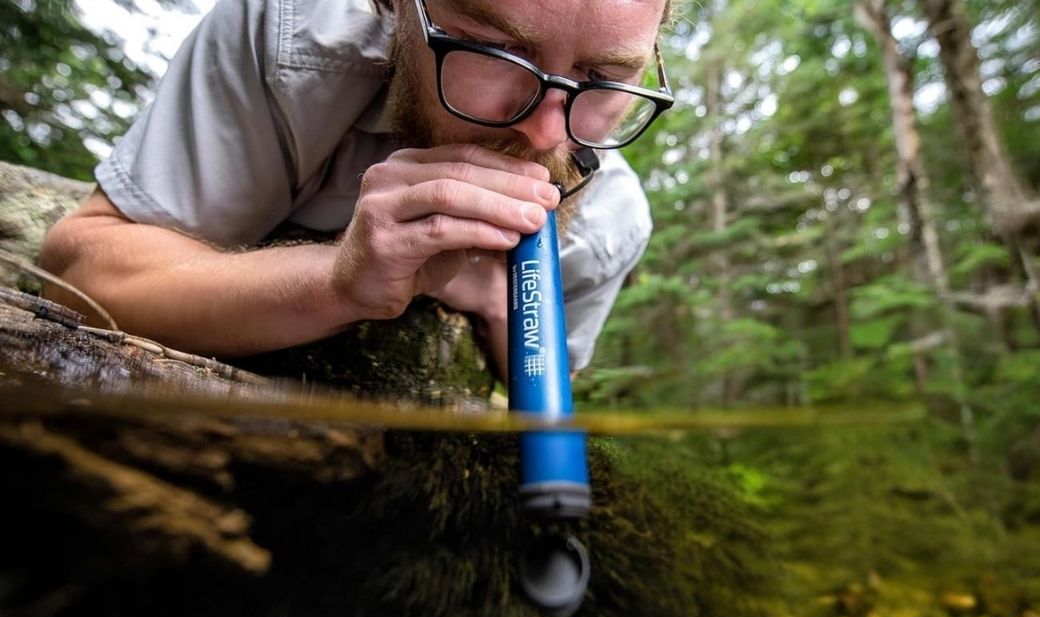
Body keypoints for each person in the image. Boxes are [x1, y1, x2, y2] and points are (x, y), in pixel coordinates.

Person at [39, 0, 673, 378]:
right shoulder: (290, 41)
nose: (543, 134)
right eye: (494, 47)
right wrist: (336, 279)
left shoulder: (611, 223)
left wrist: (506, 307)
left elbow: (548, 380)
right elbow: (80, 268)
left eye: (605, 75)